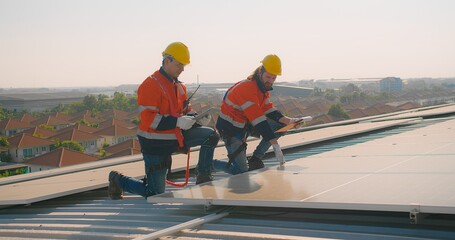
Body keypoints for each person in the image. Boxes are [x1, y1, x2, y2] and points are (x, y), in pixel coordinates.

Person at [108, 42, 219, 200]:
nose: (182, 69)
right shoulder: (150, 85)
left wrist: (196, 118)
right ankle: (117, 180)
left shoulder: (179, 86)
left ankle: (203, 177)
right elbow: (149, 120)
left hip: (175, 137)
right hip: (155, 143)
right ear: (167, 60)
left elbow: (183, 110)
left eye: (184, 66)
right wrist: (178, 122)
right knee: (155, 194)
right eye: (179, 65)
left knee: (211, 135)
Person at [214, 54, 310, 174]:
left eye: (273, 78)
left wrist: (289, 121)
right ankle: (209, 164)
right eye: (268, 77)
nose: (270, 81)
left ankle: (255, 159)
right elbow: (259, 122)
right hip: (231, 130)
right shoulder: (247, 89)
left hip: (244, 125)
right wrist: (275, 145)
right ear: (260, 72)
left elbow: (268, 109)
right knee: (241, 171)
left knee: (280, 126)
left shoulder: (261, 89)